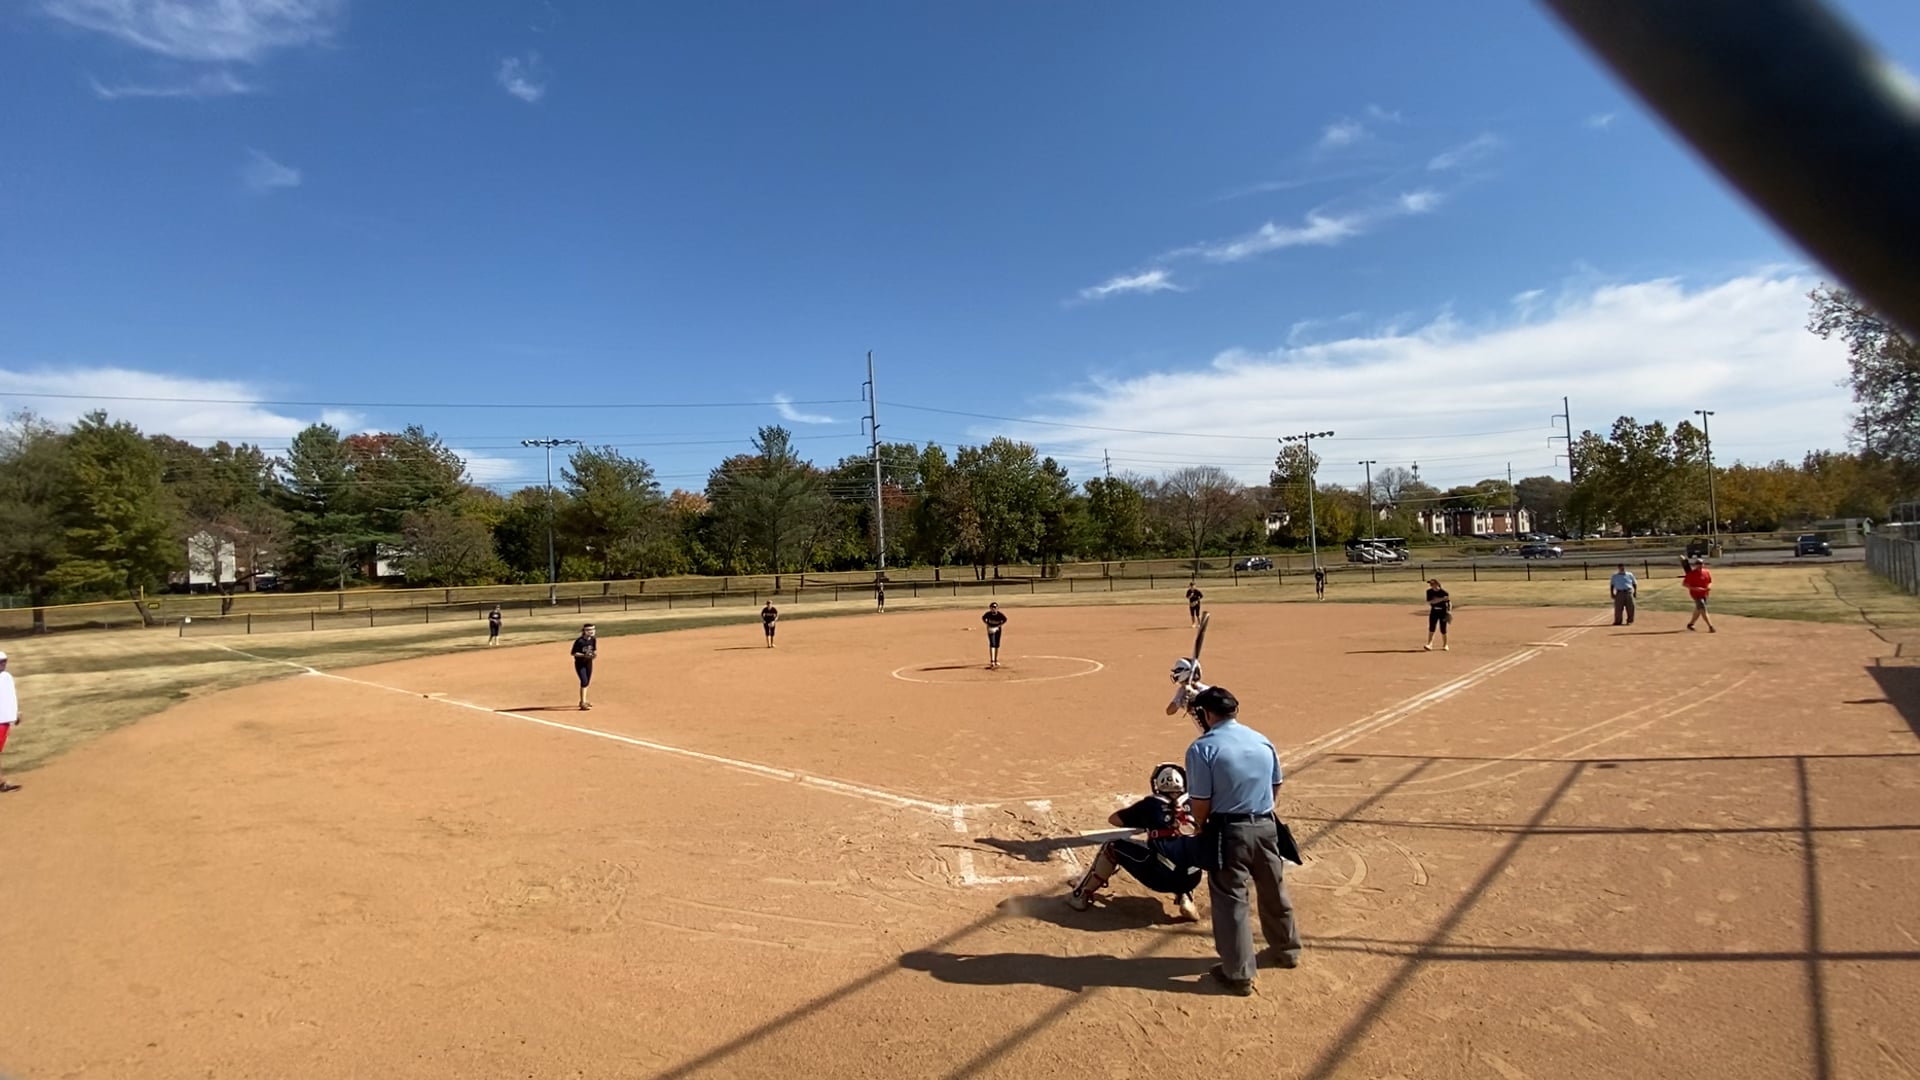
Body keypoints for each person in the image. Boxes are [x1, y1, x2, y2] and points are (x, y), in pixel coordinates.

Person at [1182, 685, 1302, 995]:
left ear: (1207, 714)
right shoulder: (1261, 739)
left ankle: (1238, 973)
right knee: (1274, 889)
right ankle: (1287, 950)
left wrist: (1200, 826)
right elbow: (1275, 785)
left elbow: (1200, 801)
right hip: (1266, 826)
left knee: (1230, 899)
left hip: (1228, 832)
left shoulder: (1202, 748)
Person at [1066, 762, 1204, 922]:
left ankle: (1080, 896)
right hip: (1193, 878)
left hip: (1160, 879)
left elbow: (1114, 820)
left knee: (1112, 847)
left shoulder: (1151, 805)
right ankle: (1186, 897)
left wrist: (1147, 823)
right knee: (1185, 848)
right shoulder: (1197, 802)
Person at [0, 651, 20, 793]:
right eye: (0, 661)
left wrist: (16, 712)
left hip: (4, 721)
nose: (3, 664)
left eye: (4, 661)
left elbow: (10, 697)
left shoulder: (7, 677)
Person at [1684, 557, 1717, 633]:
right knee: (1702, 608)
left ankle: (1691, 624)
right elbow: (1685, 584)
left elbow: (1710, 581)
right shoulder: (1691, 574)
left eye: (1701, 563)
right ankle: (1710, 626)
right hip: (1696, 594)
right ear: (1695, 565)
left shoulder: (1706, 572)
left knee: (1698, 609)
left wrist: (1709, 586)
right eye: (1698, 563)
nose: (1699, 565)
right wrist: (1695, 588)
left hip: (1705, 593)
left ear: (1703, 564)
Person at [570, 624, 598, 710]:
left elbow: (593, 650)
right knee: (584, 681)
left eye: (593, 629)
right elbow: (573, 653)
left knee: (587, 681)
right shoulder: (579, 641)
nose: (592, 631)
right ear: (584, 631)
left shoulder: (593, 639)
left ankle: (584, 701)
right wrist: (584, 655)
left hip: (588, 663)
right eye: (589, 630)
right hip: (580, 664)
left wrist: (593, 655)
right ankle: (582, 703)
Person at [1424, 579, 1451, 651]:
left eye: (1432, 584)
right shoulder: (1429, 592)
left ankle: (1445, 645)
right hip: (1434, 611)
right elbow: (1431, 602)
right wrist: (1441, 599)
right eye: (1430, 584)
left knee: (1443, 629)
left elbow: (1448, 602)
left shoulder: (1444, 592)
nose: (1431, 585)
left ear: (1437, 584)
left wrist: (1449, 612)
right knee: (1432, 627)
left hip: (1443, 612)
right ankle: (1429, 644)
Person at [981, 602, 1008, 668]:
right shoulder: (988, 614)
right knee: (992, 644)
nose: (994, 608)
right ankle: (992, 661)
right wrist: (988, 625)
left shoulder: (1000, 615)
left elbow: (1005, 620)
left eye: (995, 607)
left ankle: (996, 660)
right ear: (990, 608)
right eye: (992, 607)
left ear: (997, 608)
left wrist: (998, 626)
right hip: (991, 630)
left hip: (998, 630)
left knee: (997, 645)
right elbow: (983, 618)